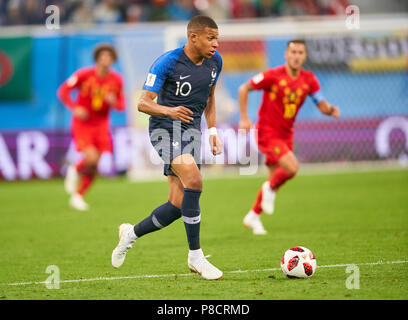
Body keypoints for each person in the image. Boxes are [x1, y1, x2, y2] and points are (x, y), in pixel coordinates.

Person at [111, 15, 224, 280]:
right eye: (211, 38)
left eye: (217, 38)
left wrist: (214, 131)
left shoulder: (215, 62)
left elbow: (210, 97)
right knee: (195, 180)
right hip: (165, 128)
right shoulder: (168, 62)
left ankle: (130, 234)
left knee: (176, 205)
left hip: (191, 129)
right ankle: (195, 257)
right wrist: (169, 110)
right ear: (193, 37)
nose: (216, 44)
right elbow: (143, 103)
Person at [239, 39, 340, 235]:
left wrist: (330, 110)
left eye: (300, 52)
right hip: (267, 133)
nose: (296, 56)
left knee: (275, 180)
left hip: (286, 134)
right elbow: (244, 88)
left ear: (305, 56)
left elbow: (321, 104)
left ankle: (253, 216)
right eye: (293, 52)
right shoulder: (272, 76)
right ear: (286, 54)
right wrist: (244, 118)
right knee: (291, 168)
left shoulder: (309, 80)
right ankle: (266, 193)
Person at [57, 43, 125, 211]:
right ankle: (75, 168)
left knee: (94, 166)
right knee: (91, 157)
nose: (106, 60)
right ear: (97, 58)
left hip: (101, 124)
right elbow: (63, 91)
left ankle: (78, 195)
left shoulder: (116, 79)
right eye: (103, 56)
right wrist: (75, 108)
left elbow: (121, 105)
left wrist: (113, 102)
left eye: (109, 57)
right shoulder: (84, 74)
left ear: (113, 60)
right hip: (83, 123)